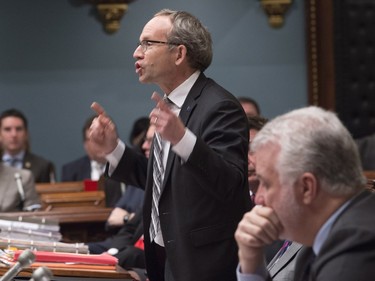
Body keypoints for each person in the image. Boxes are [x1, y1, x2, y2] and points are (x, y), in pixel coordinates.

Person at [89, 9, 251, 281]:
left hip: (204, 265)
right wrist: (112, 148)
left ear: (179, 54)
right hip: (164, 258)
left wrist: (183, 140)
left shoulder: (220, 106)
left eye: (148, 43)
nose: (136, 53)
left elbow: (231, 183)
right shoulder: (172, 104)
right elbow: (160, 181)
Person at [235, 106, 375, 281]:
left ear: (307, 188)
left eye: (267, 184)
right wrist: (252, 265)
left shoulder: (355, 254)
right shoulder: (323, 239)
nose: (258, 197)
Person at [61, 115, 144, 211]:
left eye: (104, 137)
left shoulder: (130, 166)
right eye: (94, 139)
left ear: (115, 139)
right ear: (85, 145)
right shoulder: (71, 171)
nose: (100, 143)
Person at [0, 109, 55, 183]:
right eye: (7, 129)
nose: (14, 134)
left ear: (26, 133)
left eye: (18, 129)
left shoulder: (42, 166)